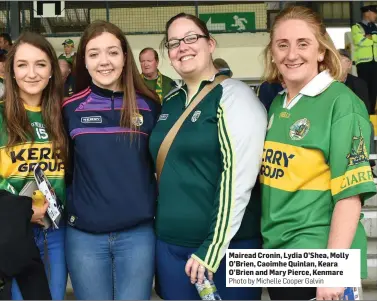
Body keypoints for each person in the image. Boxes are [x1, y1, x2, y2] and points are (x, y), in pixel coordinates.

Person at [261, 5, 376, 300]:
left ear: (321, 51)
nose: (291, 54)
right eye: (282, 45)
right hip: (280, 256)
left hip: (318, 257)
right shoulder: (279, 104)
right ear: (272, 52)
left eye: (303, 43)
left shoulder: (342, 104)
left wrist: (333, 271)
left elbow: (350, 195)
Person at [149, 13, 267, 300]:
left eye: (191, 38)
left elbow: (237, 180)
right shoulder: (170, 102)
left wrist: (211, 250)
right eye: (174, 42)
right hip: (171, 247)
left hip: (227, 250)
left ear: (210, 43)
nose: (182, 47)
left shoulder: (235, 96)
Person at [62, 21, 160, 300]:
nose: (104, 61)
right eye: (94, 54)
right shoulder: (69, 108)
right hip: (84, 237)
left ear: (125, 57)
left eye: (112, 52)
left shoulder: (150, 105)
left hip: (138, 236)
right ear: (84, 61)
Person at [0, 32, 68, 300]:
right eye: (22, 64)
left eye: (40, 64)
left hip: (55, 232)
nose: (31, 73)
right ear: (11, 71)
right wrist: (21, 211)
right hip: (12, 232)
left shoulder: (63, 116)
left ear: (52, 70)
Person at [351, 5, 377, 114]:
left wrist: (369, 37)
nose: (376, 15)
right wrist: (374, 38)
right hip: (363, 64)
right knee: (364, 89)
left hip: (375, 62)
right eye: (374, 13)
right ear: (367, 13)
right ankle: (365, 113)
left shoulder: (375, 27)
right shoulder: (356, 27)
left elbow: (366, 40)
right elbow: (359, 41)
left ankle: (372, 113)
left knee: (374, 89)